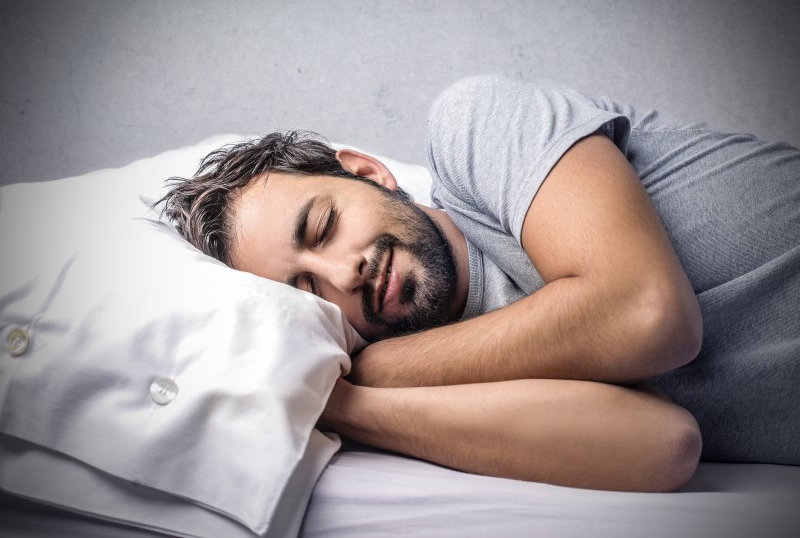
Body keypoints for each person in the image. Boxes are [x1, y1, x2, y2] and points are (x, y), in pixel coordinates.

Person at [158, 76, 799, 492]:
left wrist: (373, 372)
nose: (341, 274)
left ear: (369, 173)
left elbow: (648, 315)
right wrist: (343, 405)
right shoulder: (452, 372)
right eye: (307, 291)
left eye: (324, 227)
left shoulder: (476, 126)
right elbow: (662, 447)